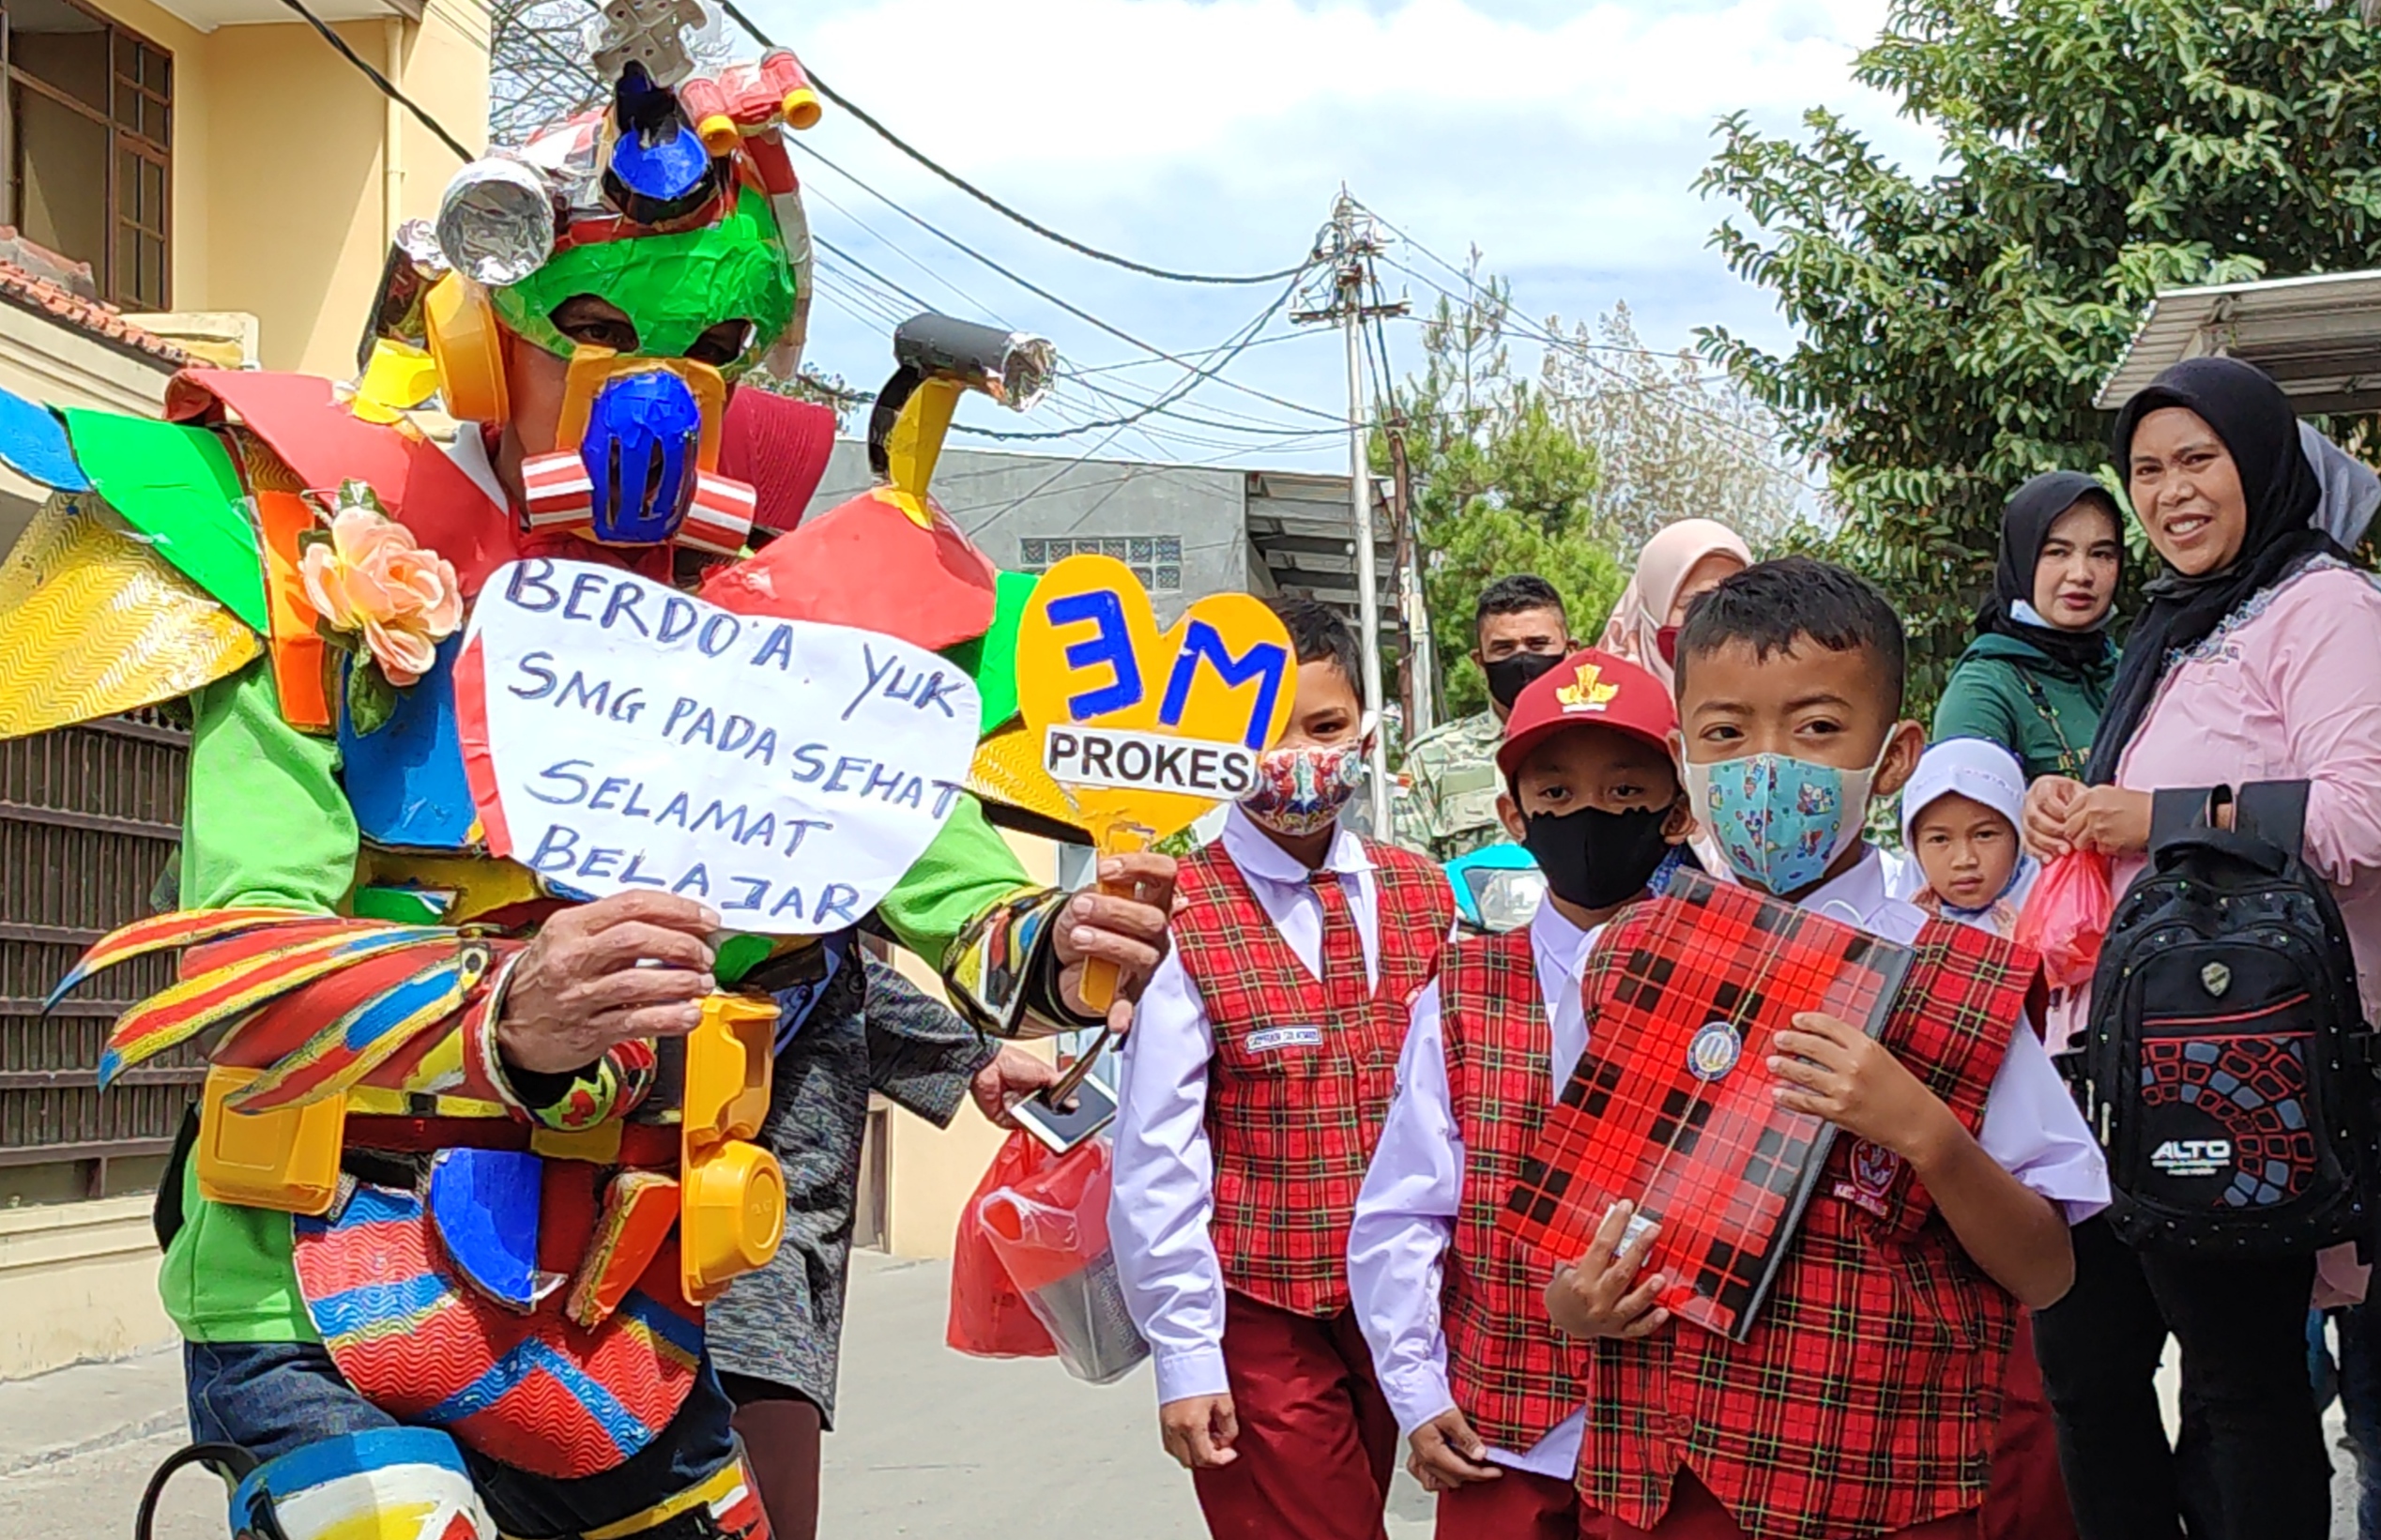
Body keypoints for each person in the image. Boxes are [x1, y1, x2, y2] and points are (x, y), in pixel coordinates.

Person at [3, 14, 1182, 1538]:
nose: (657, 398)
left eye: (703, 352)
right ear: (498, 333)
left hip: (610, 1309)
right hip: (311, 1276)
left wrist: (1057, 947)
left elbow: (946, 889)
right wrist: (500, 1007)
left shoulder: (764, 630)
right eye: (606, 338)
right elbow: (229, 954)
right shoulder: (322, 556)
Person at [1549, 557, 2107, 1540]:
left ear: (1890, 757)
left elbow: (2046, 1270)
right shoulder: (1620, 961)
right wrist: (1576, 1305)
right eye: (1725, 733)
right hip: (1661, 1491)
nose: (1766, 766)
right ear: (1682, 755)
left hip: (1885, 1489)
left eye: (1815, 729)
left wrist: (1924, 1134)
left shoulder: (1953, 979)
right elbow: (1573, 1237)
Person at [2021, 356, 2381, 1540]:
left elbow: (2359, 815)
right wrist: (2080, 813)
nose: (2169, 492)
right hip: (2119, 1063)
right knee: (2089, 1370)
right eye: (2146, 470)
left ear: (2262, 461)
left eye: (2197, 460)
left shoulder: (2320, 603)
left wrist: (2157, 818)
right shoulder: (2183, 623)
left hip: (2239, 1065)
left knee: (2238, 1390)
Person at [1111, 597, 1458, 1540]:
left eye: (1325, 726)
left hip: (1406, 1302)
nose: (1297, 754)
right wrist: (1185, 1353)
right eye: (1261, 731)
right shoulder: (1181, 908)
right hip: (1259, 1310)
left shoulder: (1424, 892)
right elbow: (1156, 1150)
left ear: (1365, 733)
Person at [1349, 648, 1690, 1538]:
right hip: (1504, 1430)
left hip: (1680, 1439)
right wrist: (1416, 1387)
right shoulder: (1461, 990)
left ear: (1676, 809)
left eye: (1625, 793)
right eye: (1556, 794)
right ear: (1513, 813)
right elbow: (1402, 1208)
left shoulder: (1723, 978)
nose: (1590, 816)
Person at [1933, 476, 2124, 783]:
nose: (2082, 574)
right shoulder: (1984, 689)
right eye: (2057, 552)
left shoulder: (2134, 670)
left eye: (2101, 554)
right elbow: (1962, 823)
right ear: (2021, 560)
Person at [1399, 575, 1576, 861]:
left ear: (1570, 651)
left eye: (1538, 644)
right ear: (1479, 662)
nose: (1522, 659)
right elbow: (1410, 875)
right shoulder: (1433, 759)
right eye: (1504, 648)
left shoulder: (1602, 746)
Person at [1595, 518, 1753, 694]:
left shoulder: (1767, 688)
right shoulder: (1604, 698)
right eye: (1693, 604)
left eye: (1730, 601)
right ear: (1653, 607)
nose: (1716, 616)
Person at [1899, 739, 2038, 936]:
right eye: (1939, 839)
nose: (1964, 860)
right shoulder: (1889, 928)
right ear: (1914, 846)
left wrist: (2028, 955)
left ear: (2018, 837)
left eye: (1984, 835)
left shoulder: (2062, 918)